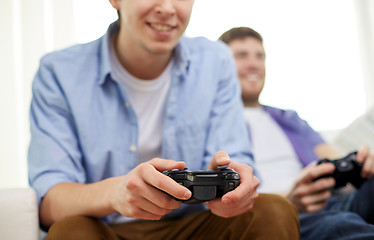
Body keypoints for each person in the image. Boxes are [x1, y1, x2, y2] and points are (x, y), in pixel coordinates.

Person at [27, 1, 300, 239]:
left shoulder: (215, 61)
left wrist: (231, 185)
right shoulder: (59, 72)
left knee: (273, 210)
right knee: (68, 231)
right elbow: (49, 201)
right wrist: (116, 193)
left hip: (193, 225)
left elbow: (238, 159)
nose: (168, 9)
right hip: (105, 229)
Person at [219, 26, 374, 240]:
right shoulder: (212, 123)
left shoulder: (289, 119)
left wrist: (361, 164)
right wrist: (288, 200)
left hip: (330, 202)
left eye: (260, 56)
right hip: (278, 213)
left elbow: (333, 158)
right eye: (241, 56)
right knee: (341, 226)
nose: (254, 64)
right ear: (220, 66)